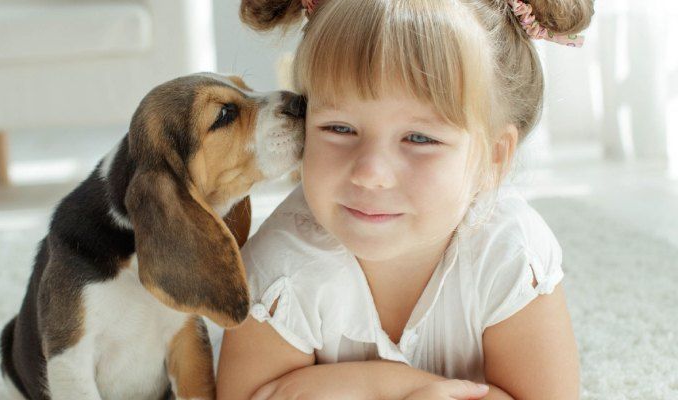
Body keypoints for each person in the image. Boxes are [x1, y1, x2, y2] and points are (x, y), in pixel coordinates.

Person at [217, 0, 593, 398]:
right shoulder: (281, 271)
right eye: (339, 128)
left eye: (419, 138)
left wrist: (348, 390)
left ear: (493, 157)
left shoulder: (510, 254)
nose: (370, 173)